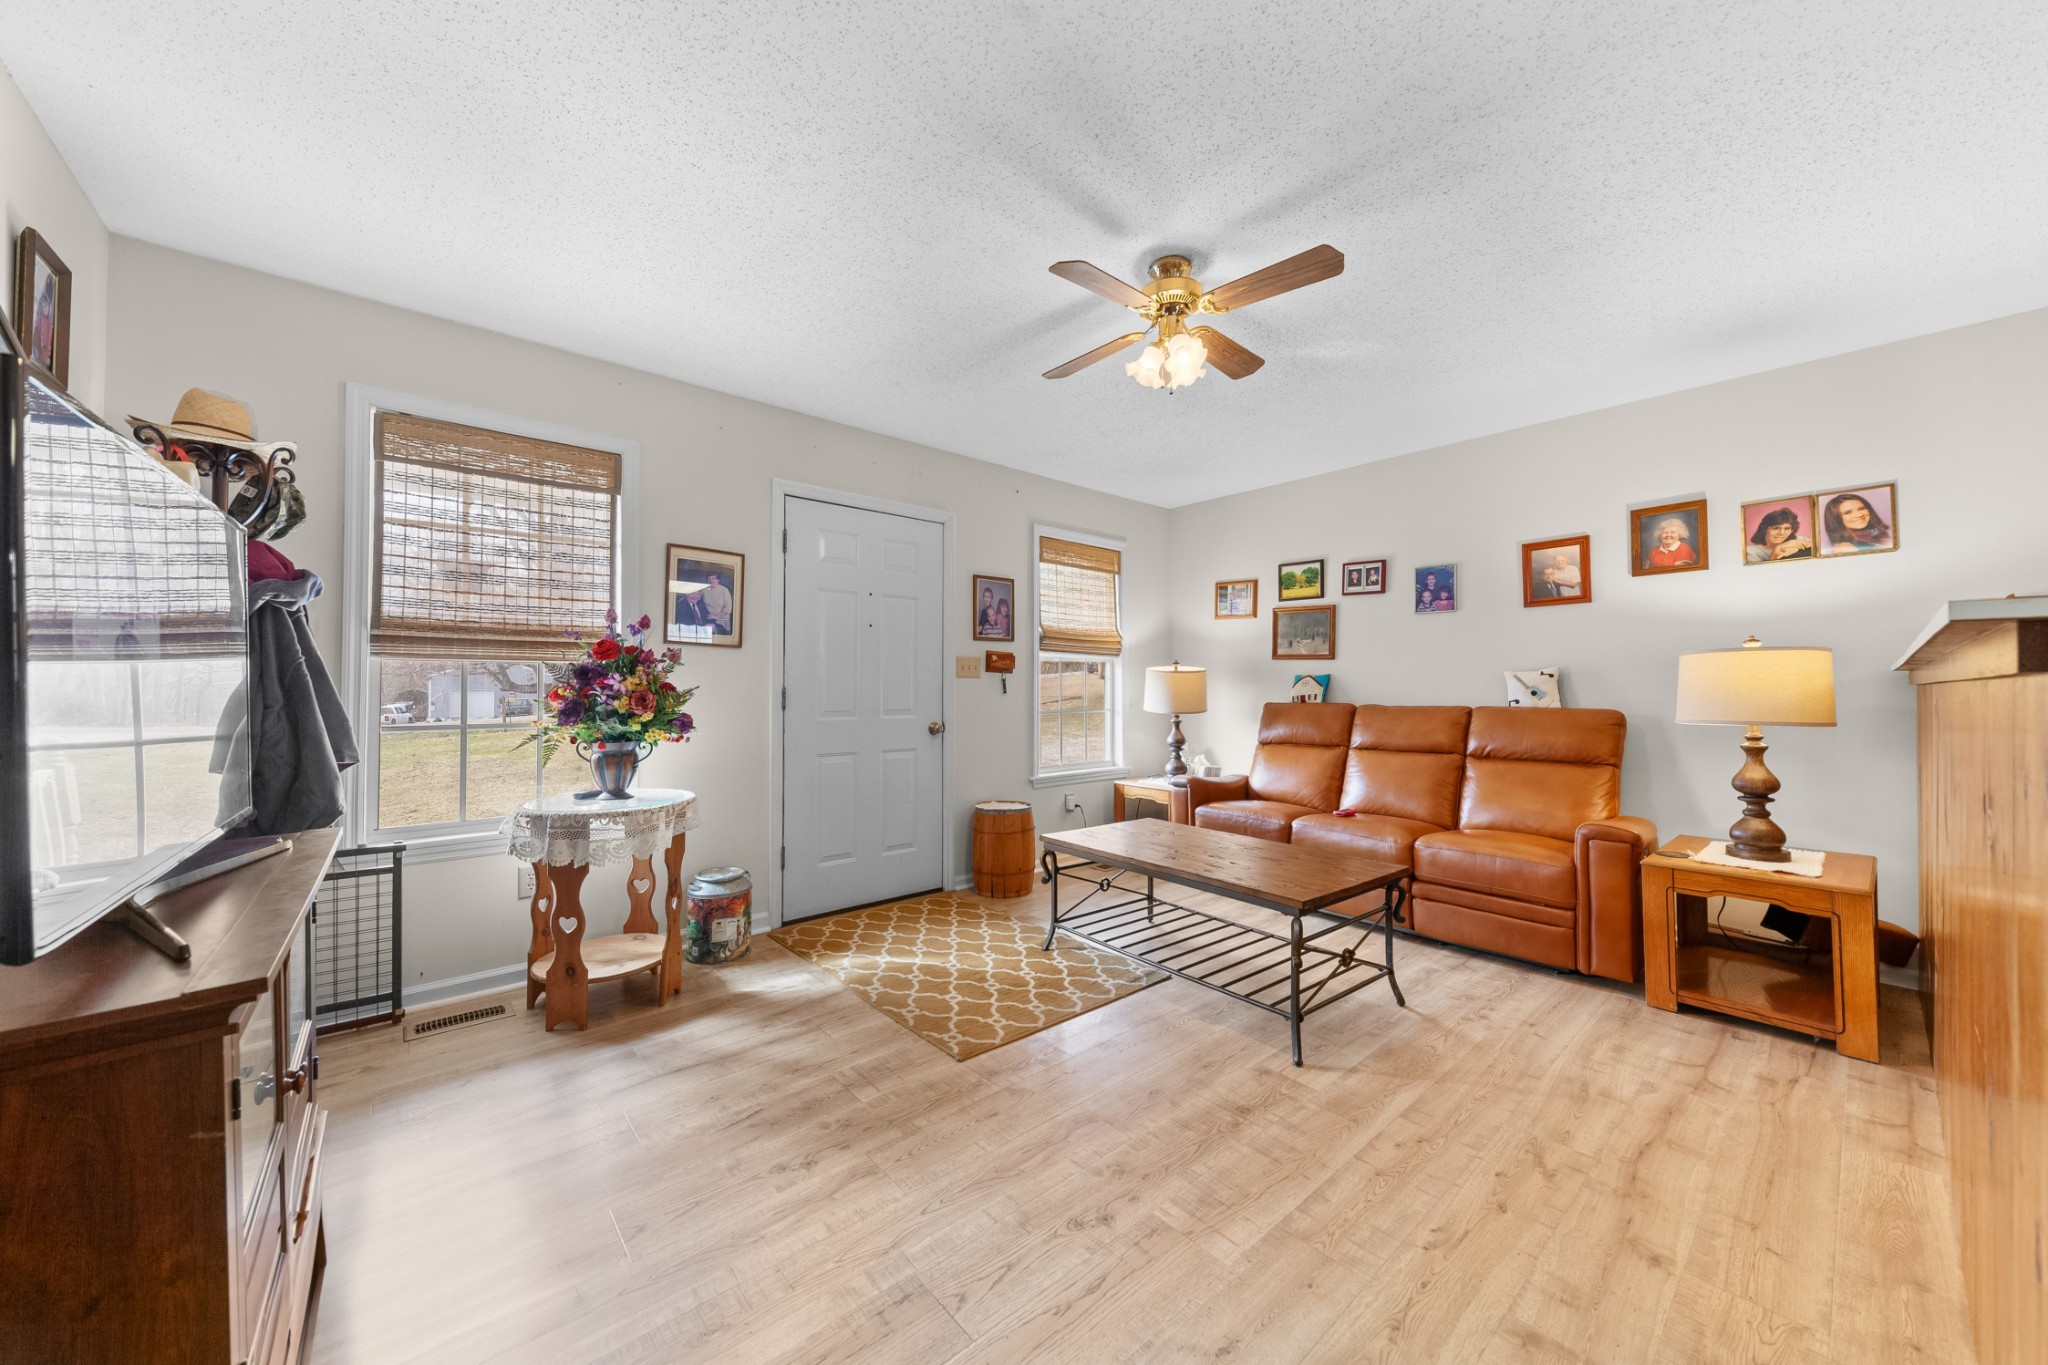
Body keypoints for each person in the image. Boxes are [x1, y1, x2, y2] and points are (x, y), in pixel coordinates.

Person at [1821, 492, 1893, 553]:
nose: (1859, 515)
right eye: (1847, 512)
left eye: (1861, 509)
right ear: (1836, 519)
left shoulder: (1883, 533)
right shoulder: (1845, 548)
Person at [1746, 506, 1814, 562]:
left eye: (1787, 529)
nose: (1782, 533)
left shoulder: (1797, 539)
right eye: (1776, 528)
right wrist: (1777, 550)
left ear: (1792, 530)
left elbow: (1817, 544)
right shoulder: (1751, 551)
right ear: (1764, 529)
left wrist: (1789, 544)